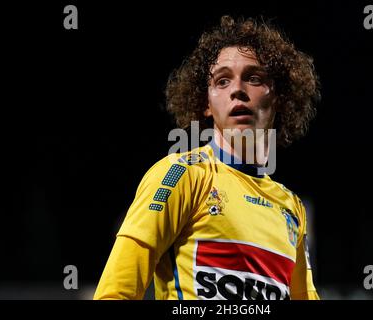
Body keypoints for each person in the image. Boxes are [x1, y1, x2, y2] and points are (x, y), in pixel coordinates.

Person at [94, 15, 320, 300]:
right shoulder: (181, 174)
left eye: (253, 78)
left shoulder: (291, 209)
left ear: (280, 97)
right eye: (222, 81)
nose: (237, 90)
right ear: (206, 104)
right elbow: (115, 293)